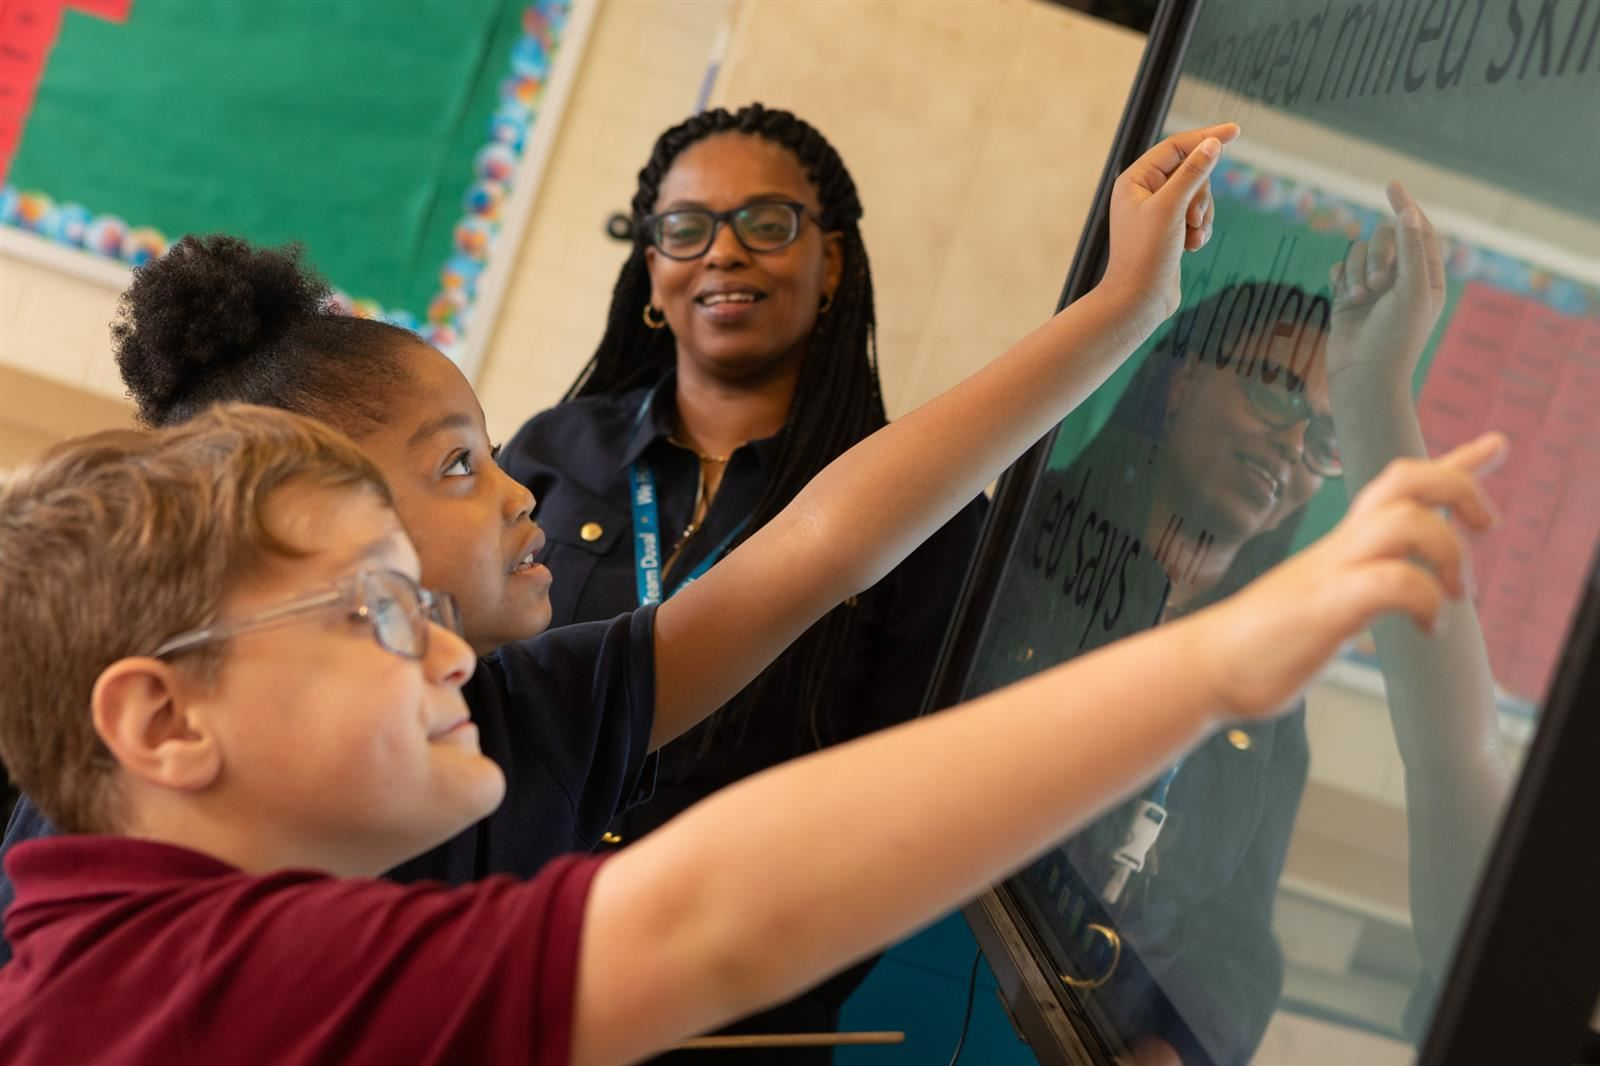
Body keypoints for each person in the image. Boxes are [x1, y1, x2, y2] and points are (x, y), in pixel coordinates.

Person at [0, 121, 1237, 963]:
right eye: (455, 465)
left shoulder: (501, 716)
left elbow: (823, 542)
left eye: (486, 450)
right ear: (302, 515)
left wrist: (1123, 308)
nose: (517, 492)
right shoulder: (98, 865)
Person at [0, 402, 1502, 1064]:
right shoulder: (169, 995)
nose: (449, 642)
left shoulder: (151, 946)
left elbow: (820, 552)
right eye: (381, 614)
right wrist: (1220, 664)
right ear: (162, 715)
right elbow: (708, 916)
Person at [971, 185, 1509, 1064]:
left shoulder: (1268, 673)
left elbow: (1234, 946)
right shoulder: (1025, 547)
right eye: (1274, 391)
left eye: (1330, 436)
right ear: (1181, 381)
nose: (1292, 444)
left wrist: (1173, 1050)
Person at [499, 104, 984, 1055]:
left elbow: (897, 807)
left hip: (720, 1008)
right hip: (501, 952)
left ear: (833, 263)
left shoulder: (909, 512)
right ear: (652, 270)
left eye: (767, 223)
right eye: (685, 228)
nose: (723, 253)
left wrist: (755, 985)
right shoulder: (553, 452)